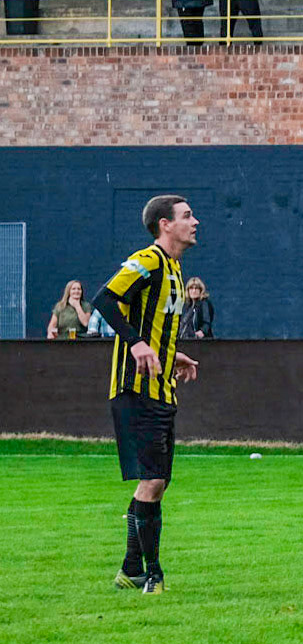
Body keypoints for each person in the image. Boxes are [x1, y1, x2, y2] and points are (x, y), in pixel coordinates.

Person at [89, 195, 201, 594]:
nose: (196, 221)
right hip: (133, 388)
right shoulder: (149, 259)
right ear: (164, 224)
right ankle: (153, 575)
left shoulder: (174, 267)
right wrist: (136, 343)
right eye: (187, 216)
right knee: (152, 480)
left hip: (160, 388)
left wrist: (172, 356)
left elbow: (156, 330)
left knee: (157, 483)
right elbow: (104, 298)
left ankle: (130, 569)